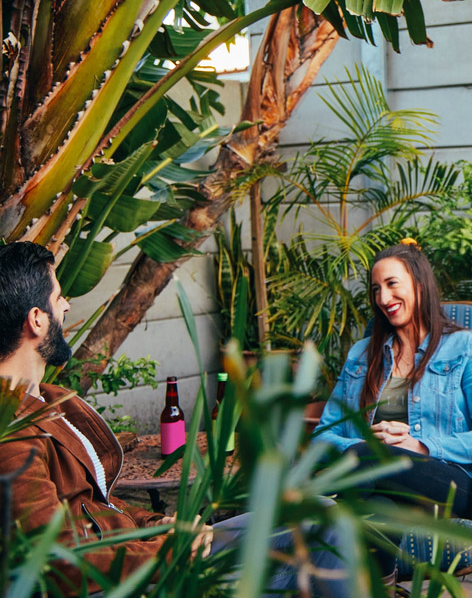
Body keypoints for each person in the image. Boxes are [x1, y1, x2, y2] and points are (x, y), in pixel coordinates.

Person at [0, 241, 351, 596]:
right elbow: (57, 559)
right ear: (37, 320)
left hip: (148, 551)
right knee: (320, 540)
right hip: (135, 577)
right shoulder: (10, 431)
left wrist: (158, 524)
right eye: (58, 297)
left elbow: (96, 504)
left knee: (321, 511)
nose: (67, 305)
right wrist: (170, 550)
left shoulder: (49, 400)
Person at [314, 241, 472, 577]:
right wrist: (368, 445)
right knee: (374, 509)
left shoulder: (463, 347)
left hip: (447, 484)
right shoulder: (362, 355)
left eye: (392, 285)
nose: (383, 299)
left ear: (419, 285)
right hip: (376, 480)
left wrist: (419, 445)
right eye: (376, 289)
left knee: (367, 459)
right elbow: (323, 436)